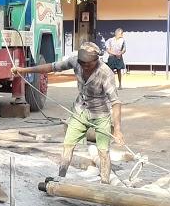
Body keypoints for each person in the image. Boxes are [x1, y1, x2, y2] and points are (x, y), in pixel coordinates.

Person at [12, 42, 124, 184]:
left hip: (100, 113)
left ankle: (105, 183)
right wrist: (24, 70)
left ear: (96, 60)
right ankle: (61, 177)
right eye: (82, 63)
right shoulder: (76, 61)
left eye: (88, 64)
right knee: (68, 144)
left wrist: (118, 129)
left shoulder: (105, 73)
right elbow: (52, 67)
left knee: (103, 150)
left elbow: (116, 102)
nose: (84, 66)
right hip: (80, 110)